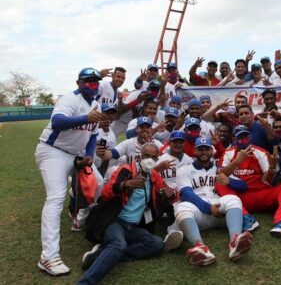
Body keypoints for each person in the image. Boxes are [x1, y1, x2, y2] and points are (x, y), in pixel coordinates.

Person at [35, 67, 106, 275]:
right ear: (79, 83)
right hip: (52, 151)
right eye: (89, 81)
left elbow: (92, 135)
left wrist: (90, 155)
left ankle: (82, 220)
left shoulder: (95, 104)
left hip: (77, 155)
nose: (93, 85)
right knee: (56, 198)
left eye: (96, 81)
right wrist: (86, 119)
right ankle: (48, 257)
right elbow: (57, 122)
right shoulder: (70, 99)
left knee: (99, 183)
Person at [78, 143, 182, 284]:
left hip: (133, 227)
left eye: (153, 157)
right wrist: (125, 184)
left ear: (157, 159)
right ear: (140, 156)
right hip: (115, 221)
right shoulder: (126, 170)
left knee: (156, 244)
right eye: (146, 156)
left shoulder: (154, 176)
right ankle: (85, 282)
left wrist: (171, 193)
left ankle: (100, 255)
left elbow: (172, 195)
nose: (149, 160)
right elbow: (105, 193)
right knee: (118, 245)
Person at [216, 125, 281, 237]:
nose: (243, 140)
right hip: (240, 198)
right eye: (239, 137)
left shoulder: (259, 152)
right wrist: (237, 162)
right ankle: (245, 218)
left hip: (261, 194)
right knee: (220, 183)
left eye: (245, 136)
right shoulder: (228, 153)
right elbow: (221, 175)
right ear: (234, 139)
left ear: (250, 137)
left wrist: (273, 166)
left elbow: (267, 181)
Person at [174, 138, 253, 265]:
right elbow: (186, 194)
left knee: (233, 199)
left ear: (212, 150)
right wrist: (209, 208)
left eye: (207, 149)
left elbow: (244, 186)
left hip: (222, 213)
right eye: (200, 149)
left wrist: (229, 181)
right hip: (198, 215)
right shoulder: (184, 170)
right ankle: (200, 247)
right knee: (182, 207)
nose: (204, 152)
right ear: (195, 151)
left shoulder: (220, 168)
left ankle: (235, 241)